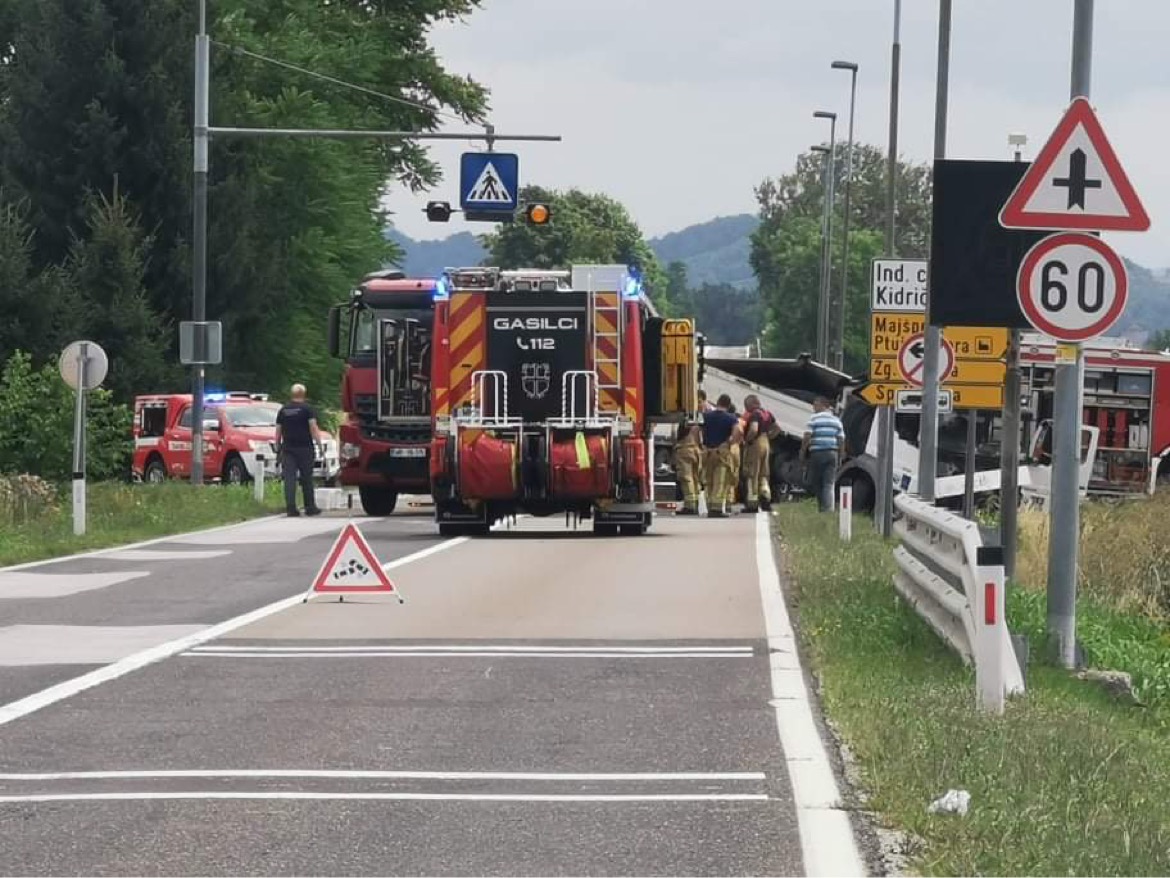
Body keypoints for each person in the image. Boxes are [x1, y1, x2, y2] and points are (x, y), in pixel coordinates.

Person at [275, 383, 324, 517]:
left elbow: (278, 430)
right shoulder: (307, 409)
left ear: (292, 394)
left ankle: (291, 508)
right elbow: (313, 428)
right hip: (305, 448)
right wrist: (319, 445)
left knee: (289, 478)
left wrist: (277, 446)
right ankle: (310, 507)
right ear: (304, 394)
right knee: (306, 478)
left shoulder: (283, 410)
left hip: (288, 448)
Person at [802, 396, 845, 513]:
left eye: (816, 405)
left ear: (824, 406)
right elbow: (841, 439)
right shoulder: (837, 421)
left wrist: (802, 451)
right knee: (829, 483)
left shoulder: (814, 419)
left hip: (817, 453)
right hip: (832, 454)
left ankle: (822, 507)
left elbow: (807, 436)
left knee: (817, 482)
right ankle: (828, 510)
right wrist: (841, 456)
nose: (814, 408)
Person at [701, 394, 738, 518]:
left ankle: (709, 506)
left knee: (708, 481)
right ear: (728, 405)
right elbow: (736, 434)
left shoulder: (705, 416)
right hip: (721, 453)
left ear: (717, 403)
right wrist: (729, 443)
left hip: (707, 452)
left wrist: (701, 444)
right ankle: (716, 509)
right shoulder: (731, 418)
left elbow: (696, 430)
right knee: (720, 480)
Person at [742, 394, 775, 513]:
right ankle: (766, 500)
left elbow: (754, 429)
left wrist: (748, 440)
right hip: (766, 442)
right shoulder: (767, 413)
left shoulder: (755, 414)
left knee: (752, 473)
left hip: (756, 444)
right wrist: (769, 436)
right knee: (764, 473)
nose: (746, 409)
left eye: (746, 406)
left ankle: (752, 503)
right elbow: (777, 428)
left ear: (752, 404)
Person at [672, 417, 703, 516]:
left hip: (684, 451)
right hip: (696, 451)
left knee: (686, 478)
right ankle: (696, 504)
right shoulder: (698, 424)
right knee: (695, 478)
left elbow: (674, 437)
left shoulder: (682, 423)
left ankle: (690, 506)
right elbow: (701, 440)